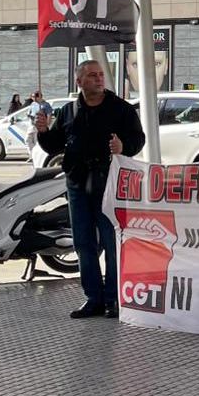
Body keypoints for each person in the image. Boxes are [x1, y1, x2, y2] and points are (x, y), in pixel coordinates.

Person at [33, 60, 145, 319]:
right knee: (83, 242)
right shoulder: (69, 111)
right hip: (77, 184)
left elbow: (138, 139)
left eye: (100, 74)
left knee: (111, 241)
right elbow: (54, 145)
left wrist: (123, 147)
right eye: (92, 75)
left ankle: (113, 299)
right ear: (79, 82)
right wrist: (43, 131)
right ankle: (93, 298)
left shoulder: (120, 109)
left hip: (108, 184)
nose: (99, 79)